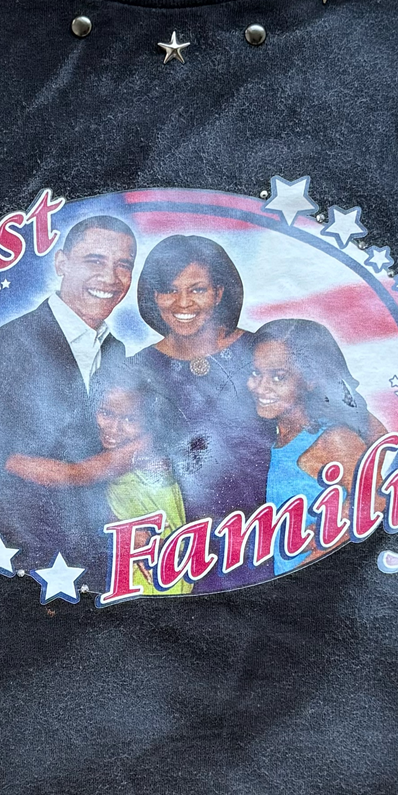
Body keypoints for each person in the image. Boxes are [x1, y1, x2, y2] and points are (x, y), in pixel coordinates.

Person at [0, 212, 135, 562]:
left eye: (123, 265)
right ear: (62, 263)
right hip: (18, 561)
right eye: (95, 261)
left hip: (91, 560)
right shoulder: (1, 347)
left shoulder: (115, 350)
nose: (110, 277)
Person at [127, 234, 272, 590]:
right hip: (181, 543)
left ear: (219, 293)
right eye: (168, 290)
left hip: (271, 531)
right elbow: (117, 454)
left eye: (197, 289)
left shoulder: (260, 351)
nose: (182, 302)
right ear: (153, 296)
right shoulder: (137, 368)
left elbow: (333, 417)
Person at [5, 356, 192, 594]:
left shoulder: (142, 447)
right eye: (106, 413)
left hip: (155, 563)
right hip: (135, 558)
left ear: (149, 419)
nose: (113, 428)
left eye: (130, 419)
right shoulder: (105, 444)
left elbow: (75, 474)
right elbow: (109, 507)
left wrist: (7, 460)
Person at [245, 317, 389, 576]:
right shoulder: (277, 434)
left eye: (278, 377)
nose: (260, 387)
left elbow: (377, 503)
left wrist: (329, 535)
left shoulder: (333, 438)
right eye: (256, 373)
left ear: (311, 378)